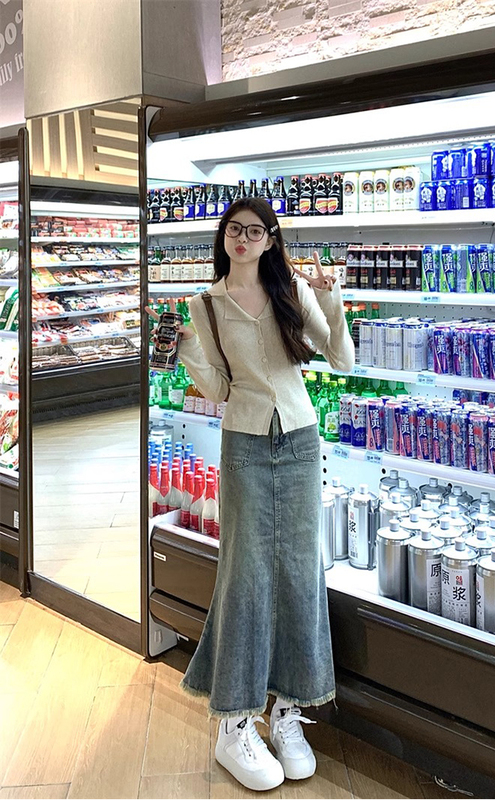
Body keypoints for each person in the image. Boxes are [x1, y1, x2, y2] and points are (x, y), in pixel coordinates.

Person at [149, 197, 354, 792]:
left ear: (270, 239)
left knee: (299, 571)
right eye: (235, 229)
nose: (244, 238)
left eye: (256, 231)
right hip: (243, 443)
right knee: (245, 575)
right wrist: (186, 346)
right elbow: (217, 388)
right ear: (224, 238)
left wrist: (330, 300)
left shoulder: (293, 291)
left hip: (301, 440)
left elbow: (341, 359)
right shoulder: (205, 305)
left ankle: (288, 710)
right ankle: (234, 721)